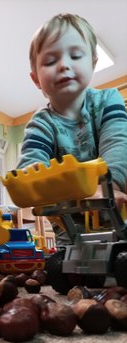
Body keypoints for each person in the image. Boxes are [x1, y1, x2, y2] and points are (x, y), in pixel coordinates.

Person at [17, 13, 127, 245]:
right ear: (36, 79)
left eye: (76, 55)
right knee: (69, 272)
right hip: (70, 227)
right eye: (49, 61)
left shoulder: (109, 99)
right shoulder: (40, 123)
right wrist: (34, 179)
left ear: (93, 63)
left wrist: (110, 186)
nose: (64, 64)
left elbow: (118, 144)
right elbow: (30, 164)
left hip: (117, 207)